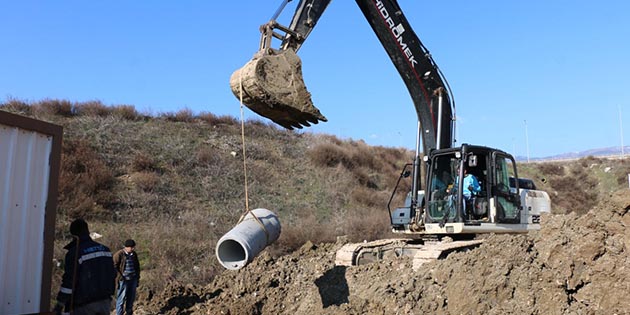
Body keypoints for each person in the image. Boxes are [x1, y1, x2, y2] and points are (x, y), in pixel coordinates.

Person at [54, 219, 116, 315]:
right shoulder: (106, 250)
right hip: (105, 302)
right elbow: (113, 274)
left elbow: (69, 281)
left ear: (73, 234)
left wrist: (60, 304)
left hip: (84, 305)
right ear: (87, 231)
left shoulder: (75, 253)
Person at [113, 239, 141, 315]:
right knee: (121, 299)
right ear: (127, 247)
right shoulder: (119, 254)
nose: (132, 249)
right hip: (123, 280)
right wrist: (120, 277)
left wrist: (137, 277)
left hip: (133, 279)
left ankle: (129, 313)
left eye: (133, 247)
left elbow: (137, 266)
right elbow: (114, 266)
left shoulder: (134, 254)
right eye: (131, 247)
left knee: (131, 299)